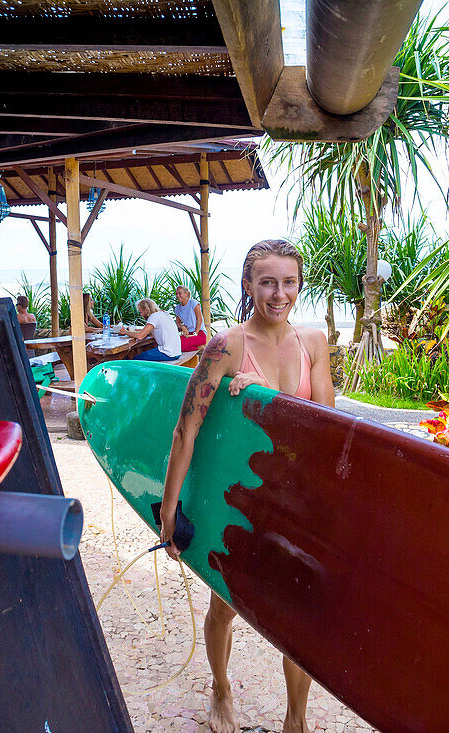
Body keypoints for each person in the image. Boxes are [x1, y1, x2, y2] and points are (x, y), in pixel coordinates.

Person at [158, 239, 332, 733]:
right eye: (268, 282)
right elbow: (186, 428)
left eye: (290, 282)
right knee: (226, 605)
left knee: (296, 621)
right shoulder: (226, 347)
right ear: (249, 284)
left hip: (294, 500)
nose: (279, 294)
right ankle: (220, 687)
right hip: (241, 496)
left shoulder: (312, 342)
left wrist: (259, 401)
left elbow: (324, 429)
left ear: (300, 284)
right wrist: (170, 510)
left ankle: (295, 722)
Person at [173, 285, 208, 352]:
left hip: (199, 333)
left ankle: (198, 347)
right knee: (174, 343)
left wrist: (195, 333)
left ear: (186, 293)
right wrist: (182, 327)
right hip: (188, 334)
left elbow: (199, 319)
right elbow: (178, 322)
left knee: (180, 345)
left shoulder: (193, 303)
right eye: (176, 293)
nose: (177, 296)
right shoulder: (177, 308)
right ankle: (197, 347)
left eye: (179, 293)